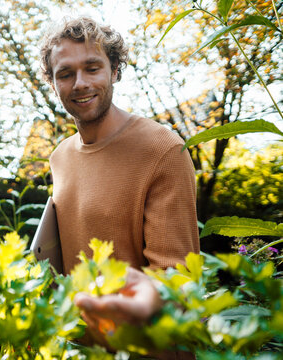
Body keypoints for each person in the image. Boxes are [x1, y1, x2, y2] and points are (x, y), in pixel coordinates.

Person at [39, 16, 199, 359]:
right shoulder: (59, 157)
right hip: (79, 349)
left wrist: (150, 295)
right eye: (65, 74)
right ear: (53, 84)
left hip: (146, 348)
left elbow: (178, 277)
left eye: (92, 68)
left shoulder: (163, 150)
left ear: (115, 71)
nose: (80, 83)